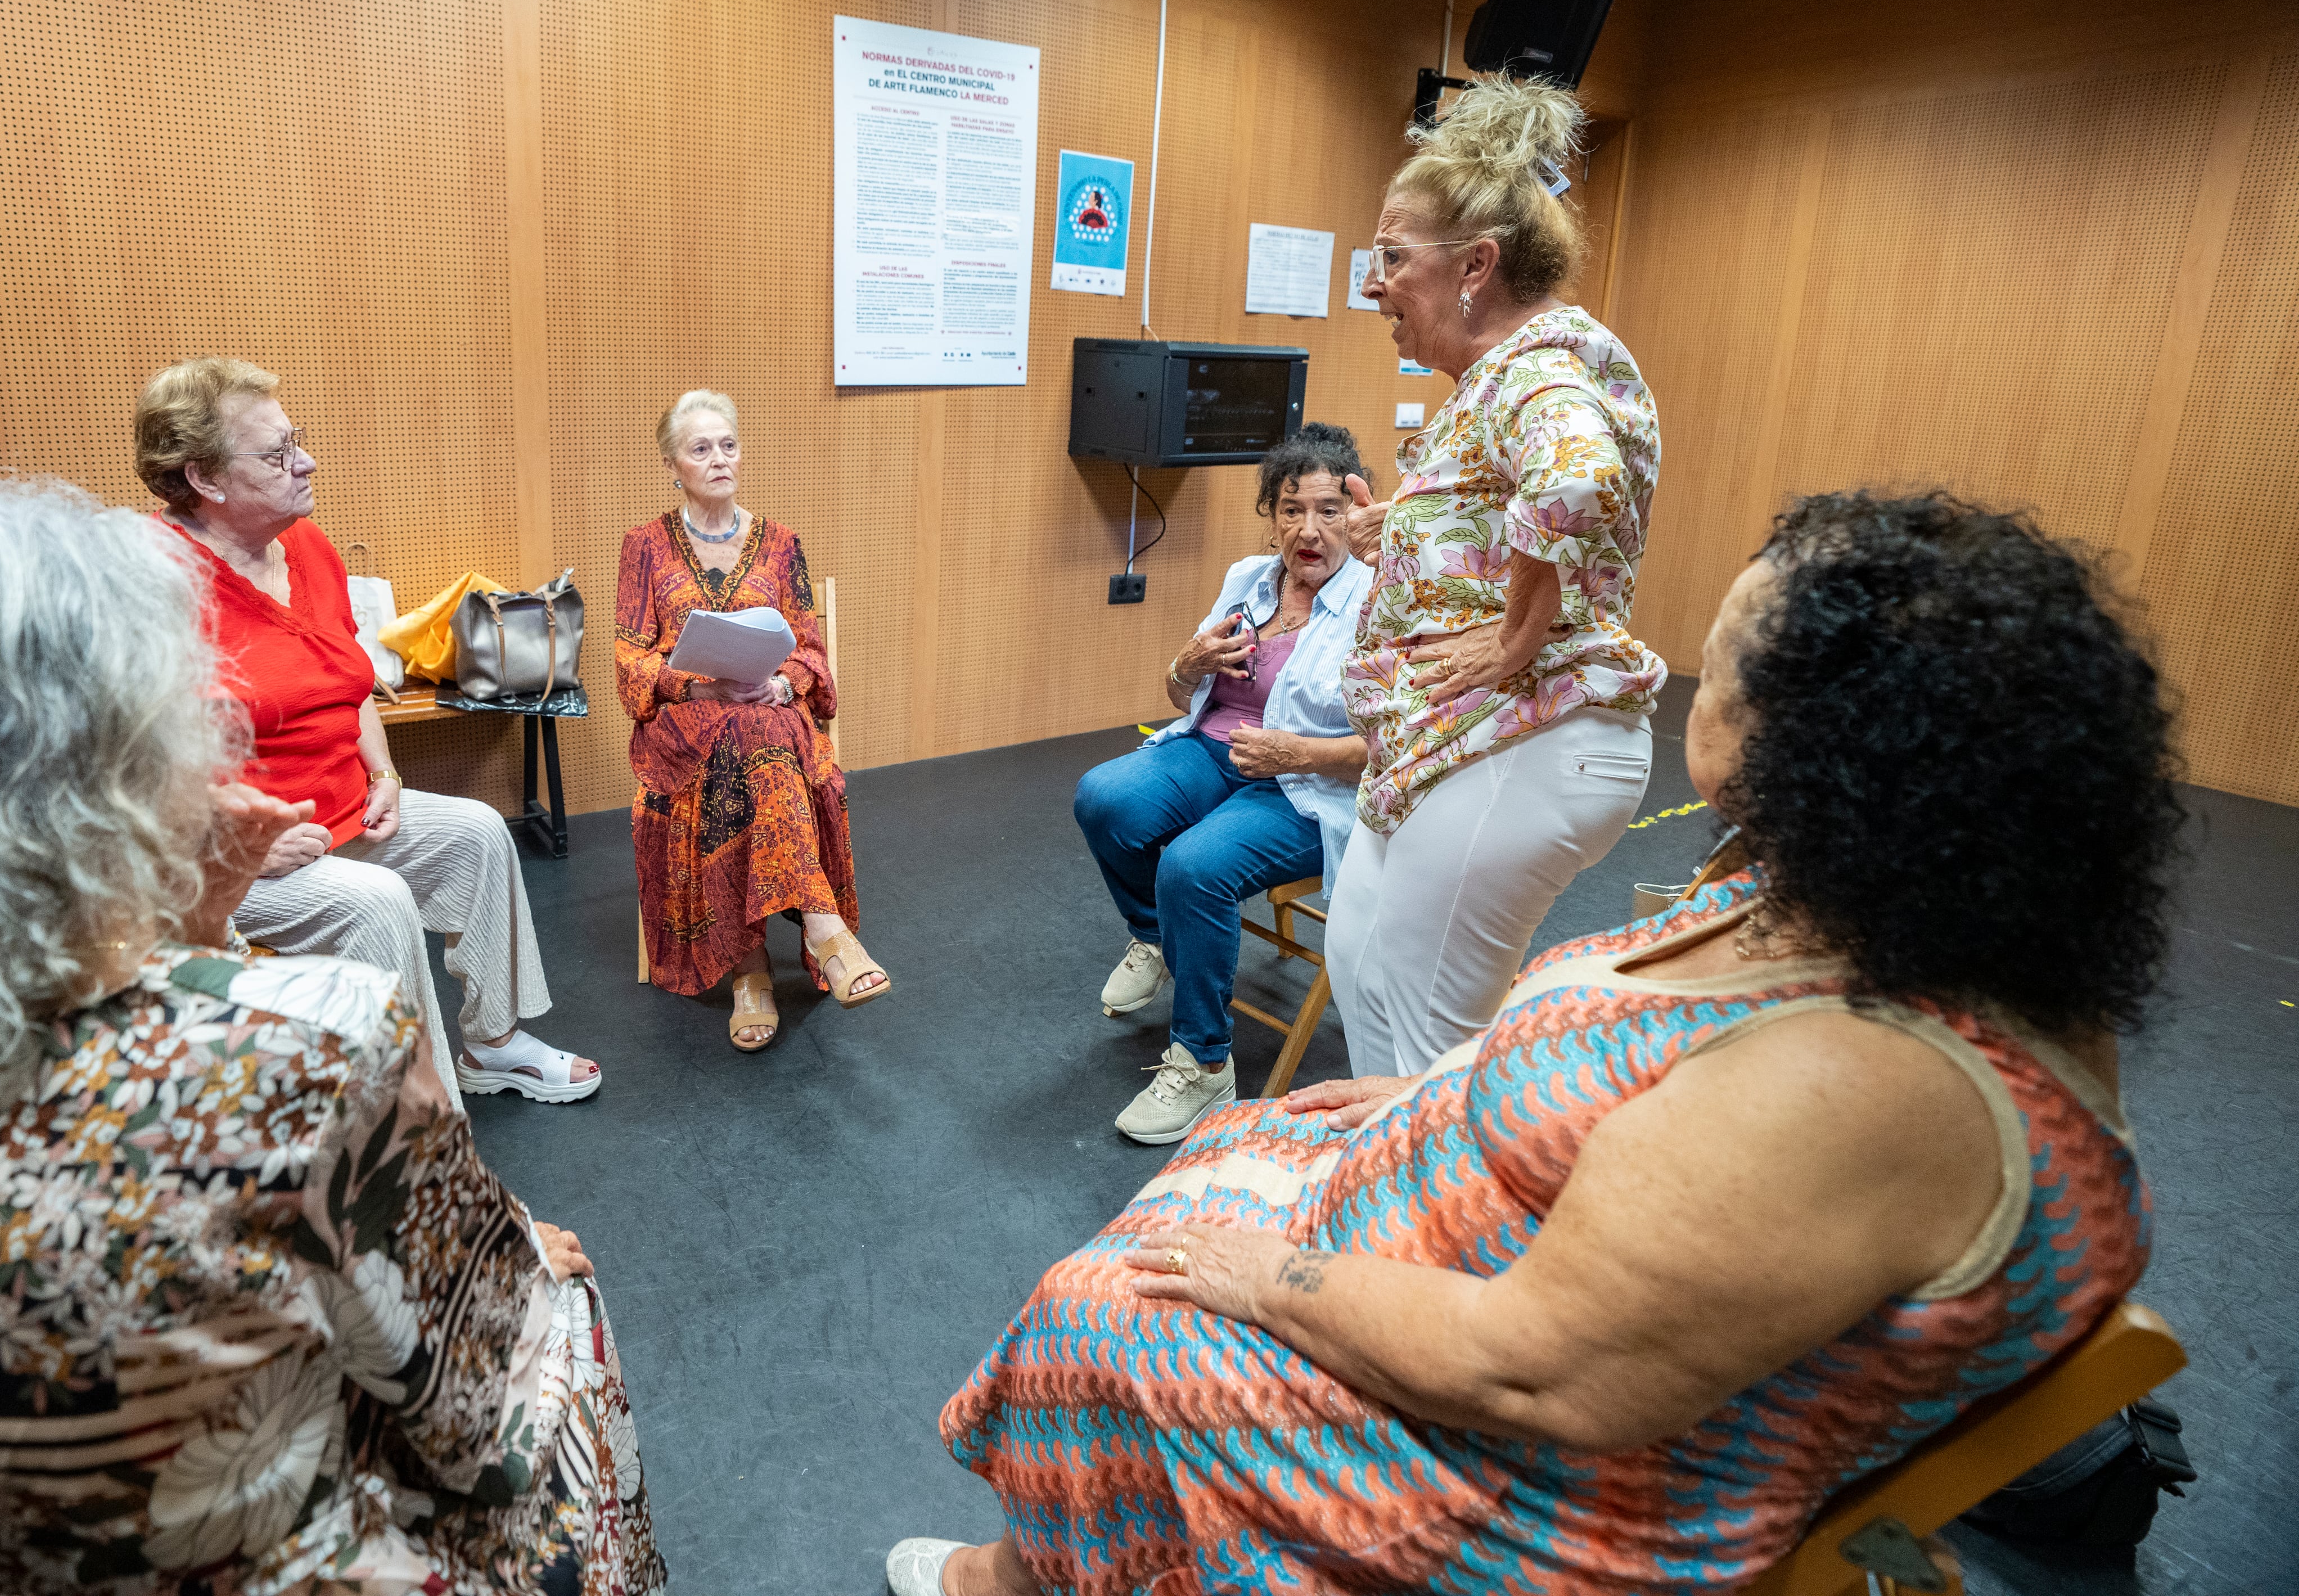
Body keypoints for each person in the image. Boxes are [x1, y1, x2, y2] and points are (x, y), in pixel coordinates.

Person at [892, 490, 2173, 1596]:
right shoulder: (1894, 901)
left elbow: (1530, 1377)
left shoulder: (1876, 1086)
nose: (1680, 676)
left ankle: (1016, 1574)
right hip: (1489, 1299)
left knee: (1100, 1308)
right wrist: (1430, 1092)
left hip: (1529, 1484)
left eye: (1719, 665)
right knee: (1240, 1132)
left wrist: (1260, 1277)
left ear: (1841, 747)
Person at [0, 473, 665, 1595]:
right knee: (562, 1307)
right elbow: (471, 1411)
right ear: (111, 746)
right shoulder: (309, 1044)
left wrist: (189, 923)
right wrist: (509, 1254)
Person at [135, 357, 597, 1103]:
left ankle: (495, 1044)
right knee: (377, 902)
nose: (305, 461)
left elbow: (350, 683)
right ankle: (417, 1125)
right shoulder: (152, 582)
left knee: (478, 832)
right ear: (205, 479)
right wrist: (234, 841)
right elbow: (126, 766)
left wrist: (384, 774)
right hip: (227, 856)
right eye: (277, 453)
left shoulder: (307, 545)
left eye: (298, 440)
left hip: (342, 807)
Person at [1326, 71, 1662, 1079]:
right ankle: (1383, 1194)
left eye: (1392, 257)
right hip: (1459, 740)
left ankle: (1428, 1227)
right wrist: (1415, 528)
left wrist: (1518, 635)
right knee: (1362, 967)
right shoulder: (1506, 374)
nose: (1377, 284)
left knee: (1432, 1049)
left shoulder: (1535, 366)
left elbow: (1578, 476)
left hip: (1529, 733)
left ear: (1475, 263)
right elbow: (1521, 501)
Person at [1071, 424, 1378, 1144]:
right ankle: (1153, 933)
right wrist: (1186, 665)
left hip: (1307, 785)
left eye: (1329, 511)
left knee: (1193, 865)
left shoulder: (1380, 600)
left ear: (1356, 516)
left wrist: (1296, 752)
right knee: (1103, 796)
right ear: (1270, 515)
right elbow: (1184, 698)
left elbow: (1392, 748)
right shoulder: (1246, 578)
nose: (1308, 529)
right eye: (1290, 509)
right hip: (1215, 752)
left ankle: (1206, 1063)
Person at [615, 389, 882, 1052]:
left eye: (727, 445)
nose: (718, 459)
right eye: (700, 449)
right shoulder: (644, 546)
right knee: (745, 741)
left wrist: (782, 683)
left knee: (755, 733)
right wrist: (696, 684)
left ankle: (748, 973)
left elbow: (811, 655)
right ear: (671, 465)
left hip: (768, 715)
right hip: (685, 727)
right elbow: (628, 659)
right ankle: (824, 931)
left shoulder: (783, 545)